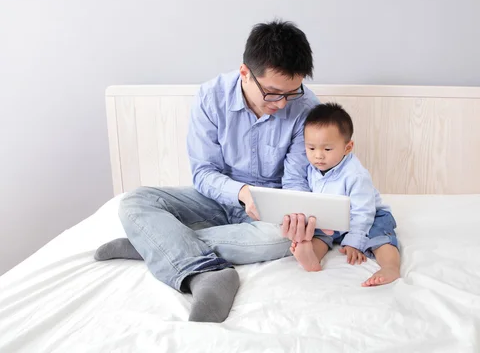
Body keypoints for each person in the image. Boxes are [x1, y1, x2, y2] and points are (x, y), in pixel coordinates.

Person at [94, 20, 320, 322]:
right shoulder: (211, 96)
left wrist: (291, 213)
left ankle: (154, 243)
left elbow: (294, 185)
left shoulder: (306, 109)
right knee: (136, 201)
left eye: (291, 93)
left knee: (282, 240)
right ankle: (209, 270)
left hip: (268, 212)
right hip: (217, 198)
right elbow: (203, 173)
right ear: (245, 73)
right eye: (272, 92)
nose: (282, 103)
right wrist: (242, 193)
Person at [288, 103, 401, 287]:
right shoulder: (311, 169)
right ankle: (310, 257)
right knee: (318, 235)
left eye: (327, 149)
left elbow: (363, 211)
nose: (318, 156)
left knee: (380, 237)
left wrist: (354, 241)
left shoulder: (355, 175)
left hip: (368, 216)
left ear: (348, 147)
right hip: (333, 218)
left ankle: (390, 267)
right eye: (311, 148)